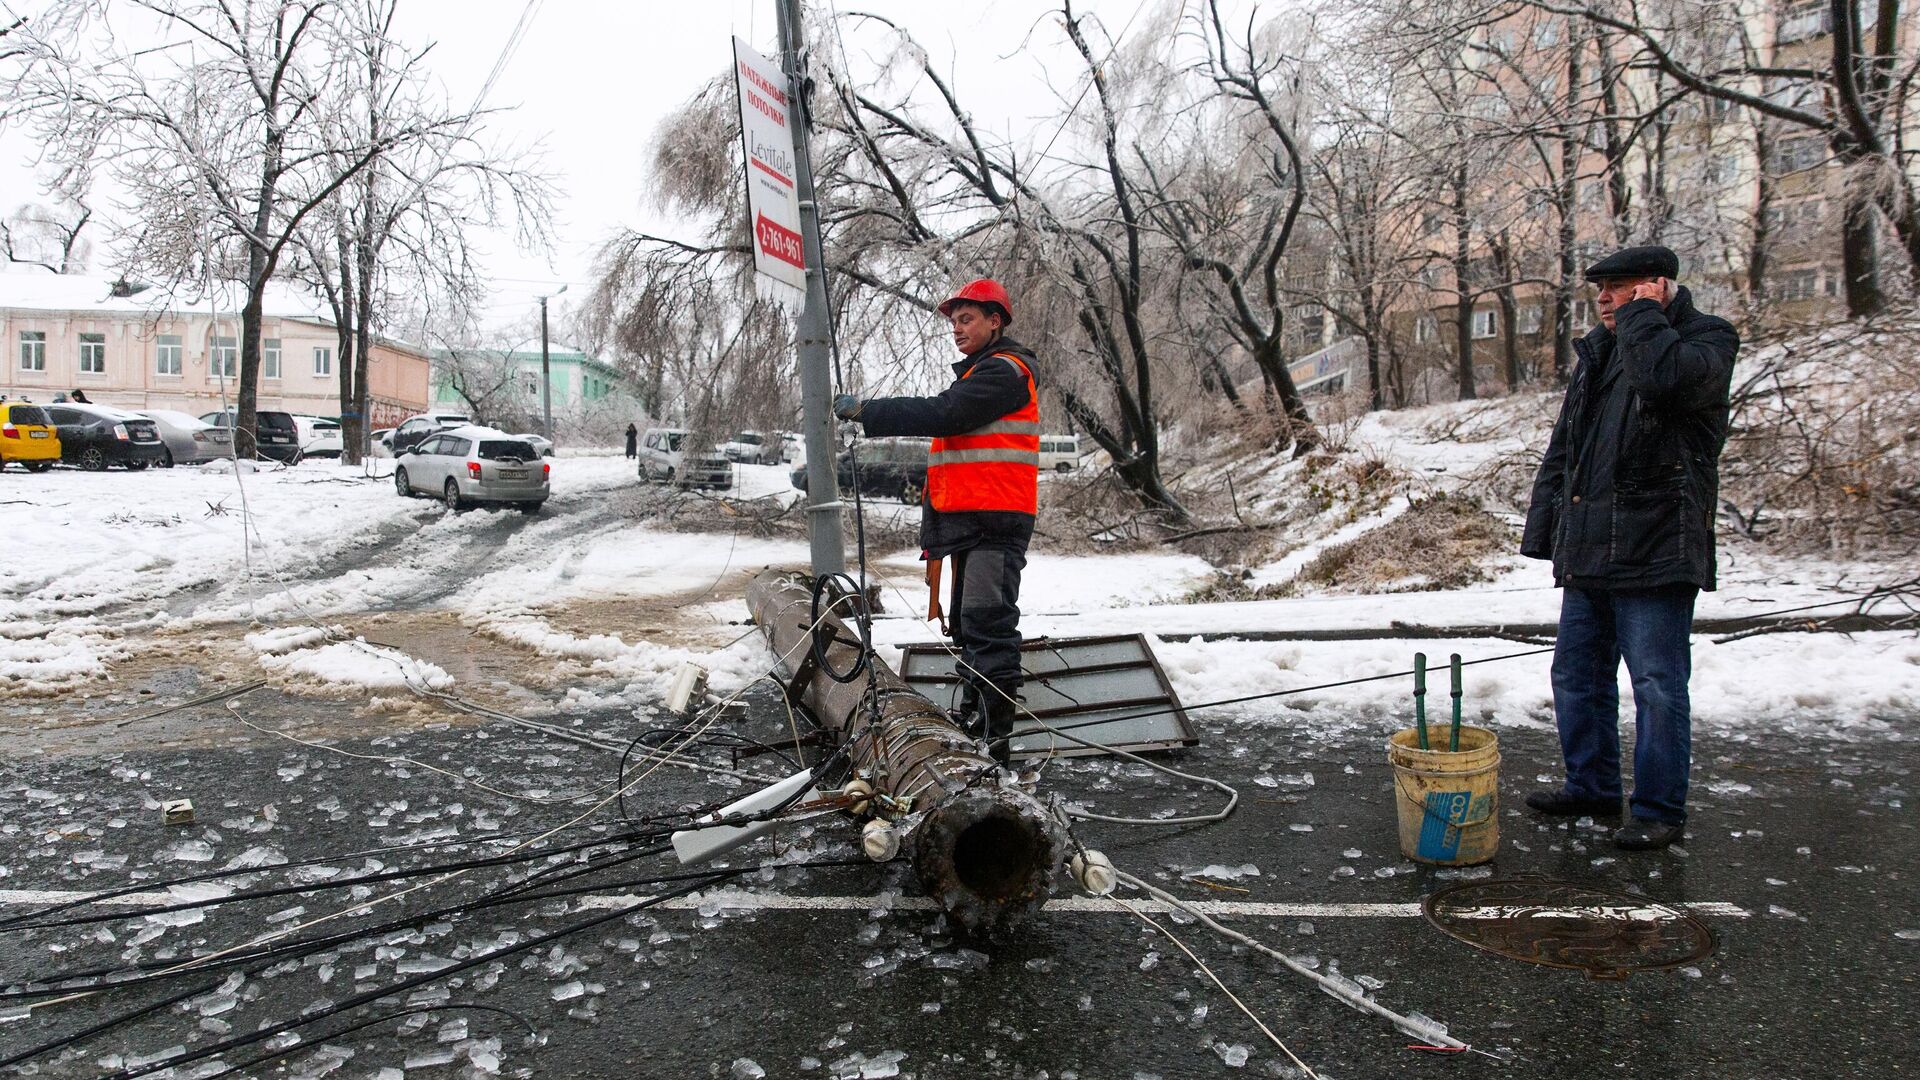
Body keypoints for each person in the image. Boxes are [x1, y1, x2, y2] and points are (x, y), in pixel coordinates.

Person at [1520, 245, 1740, 851]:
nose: (1604, 298)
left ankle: (1659, 808)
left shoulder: (1708, 340)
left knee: (1657, 685)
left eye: (1619, 287)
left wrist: (1646, 319)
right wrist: (1547, 530)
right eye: (1601, 289)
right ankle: (1591, 785)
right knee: (1577, 675)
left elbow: (1664, 382)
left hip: (1659, 544)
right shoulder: (1599, 352)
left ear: (1658, 287)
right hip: (1592, 545)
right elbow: (1567, 448)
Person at [833, 278, 1039, 765]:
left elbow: (945, 413)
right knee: (971, 629)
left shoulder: (1004, 372)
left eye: (967, 319)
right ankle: (976, 727)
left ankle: (992, 745)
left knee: (987, 627)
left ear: (996, 321)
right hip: (975, 521)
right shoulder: (981, 373)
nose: (957, 329)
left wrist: (870, 411)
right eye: (954, 321)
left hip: (994, 521)